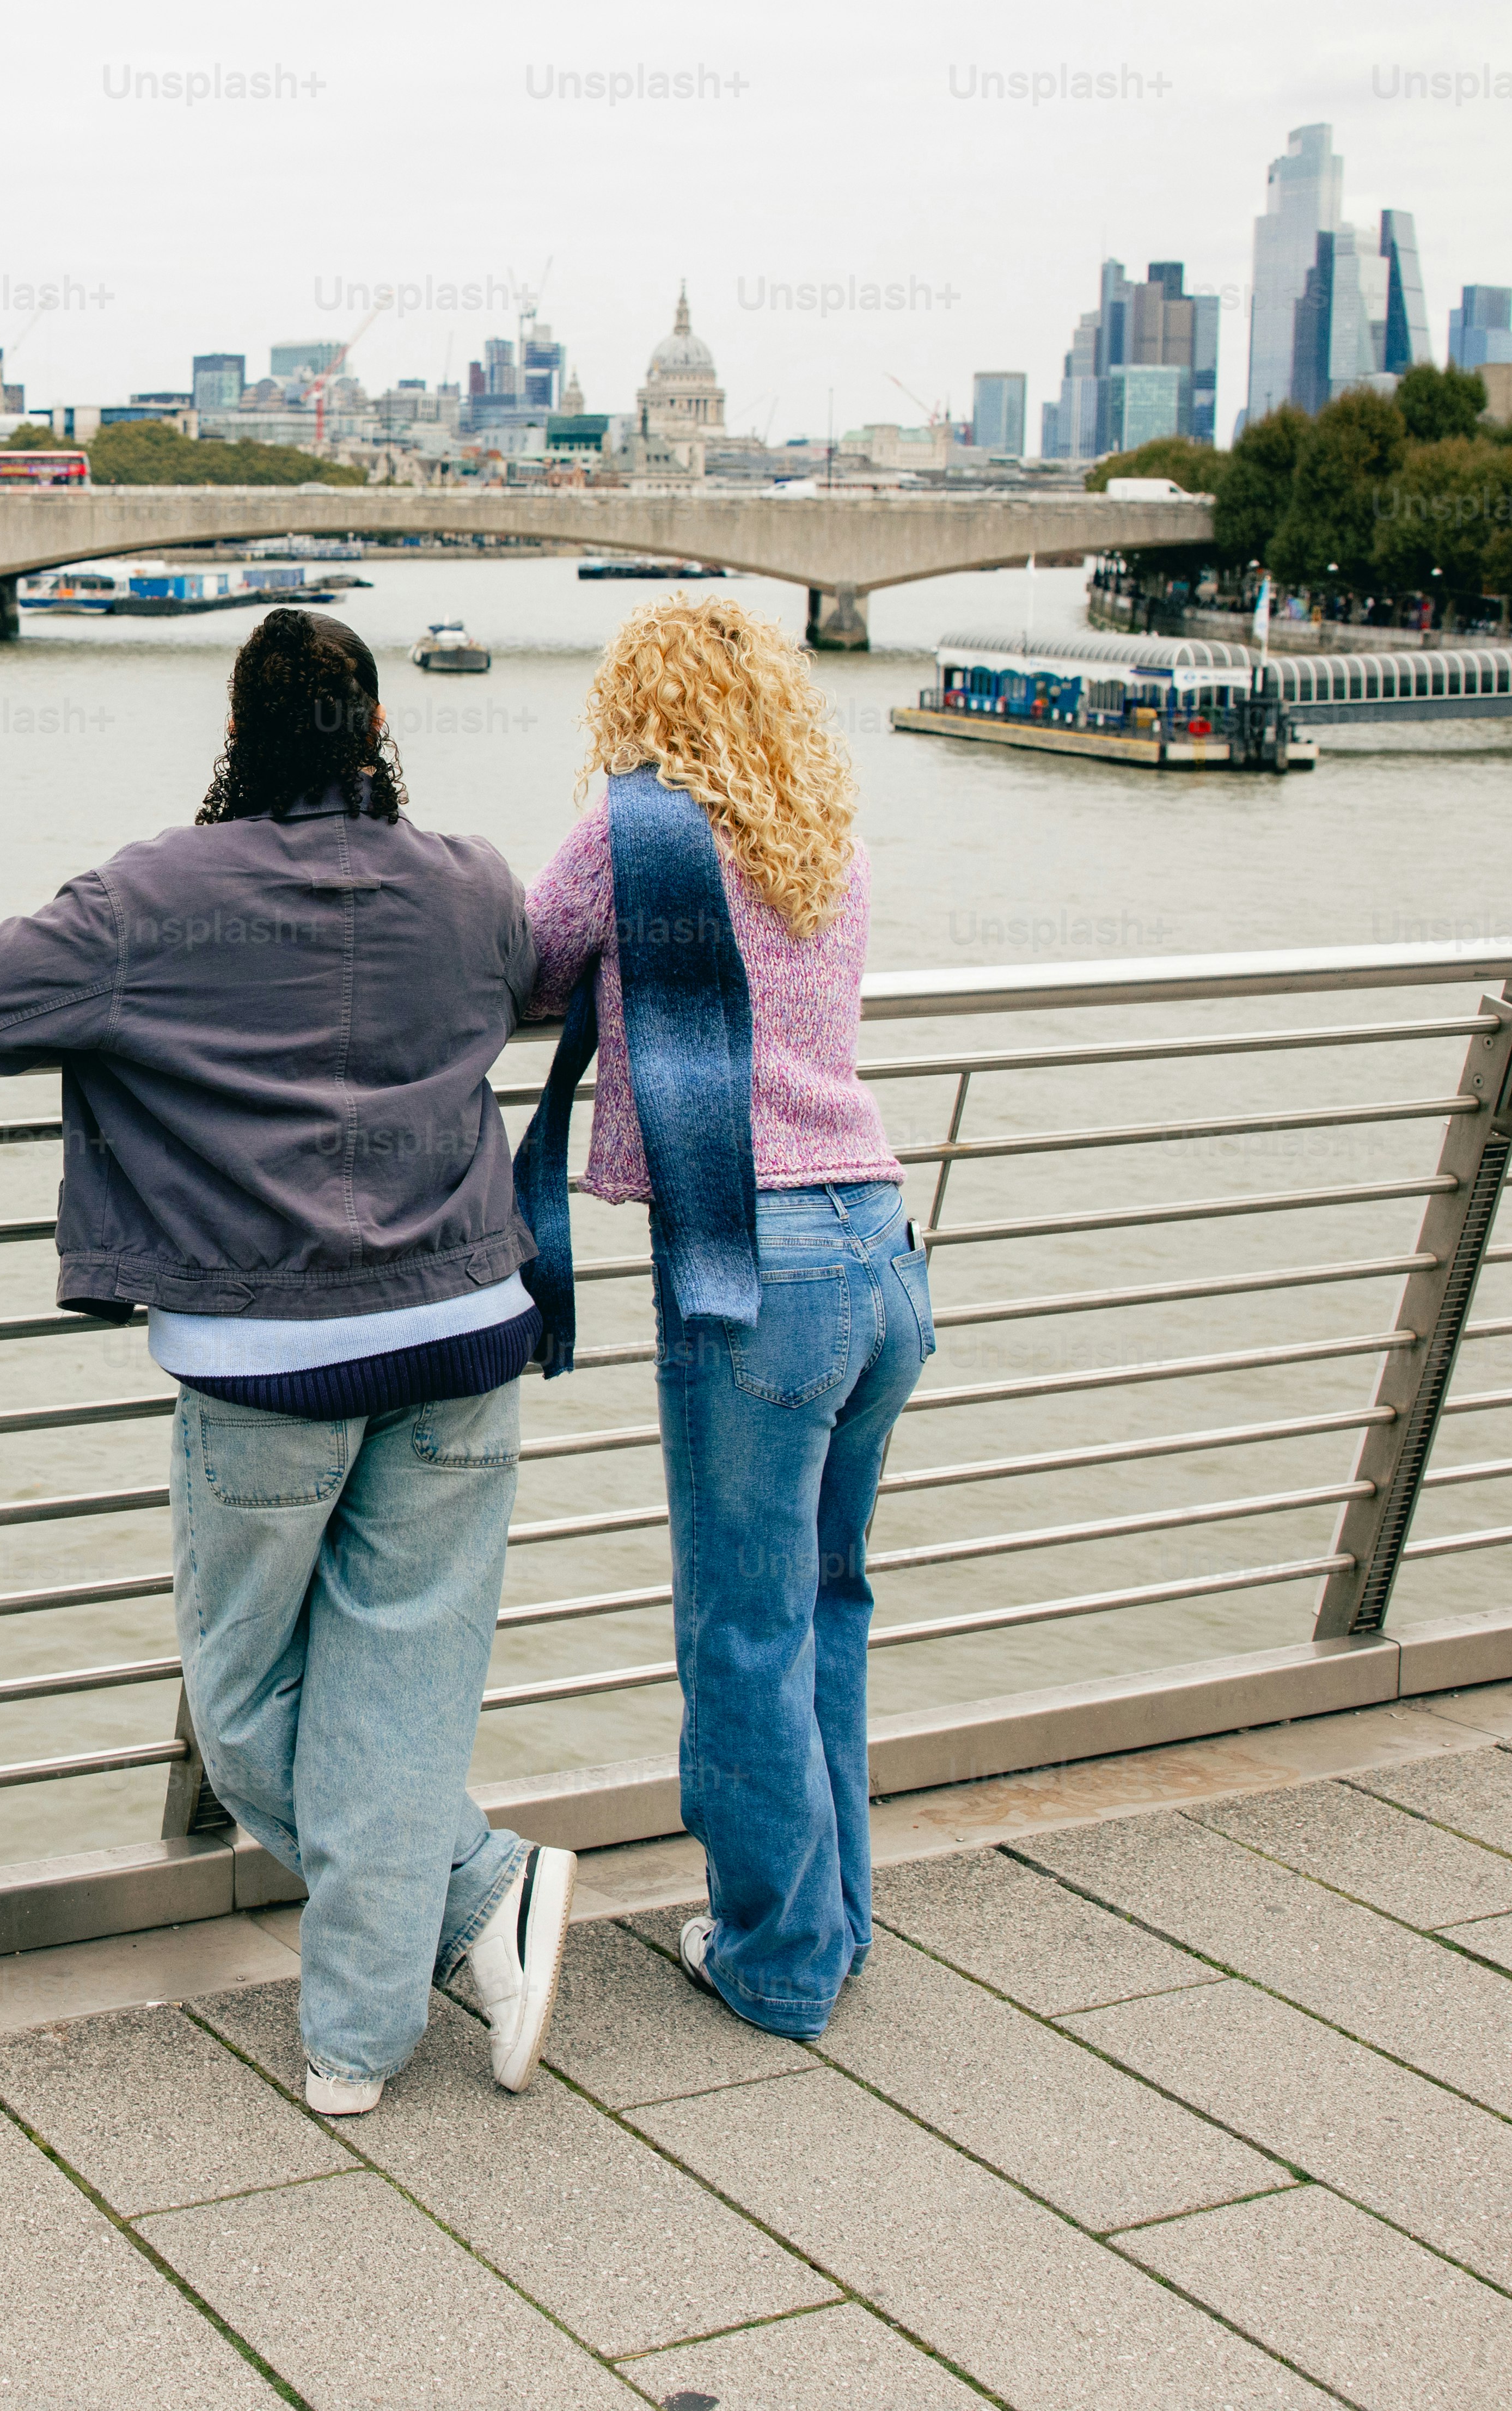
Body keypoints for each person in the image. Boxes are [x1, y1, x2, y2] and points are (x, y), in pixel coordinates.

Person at [0, 608, 577, 2117]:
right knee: (398, 1694)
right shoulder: (467, 880)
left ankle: (392, 1997)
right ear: (375, 736)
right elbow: (528, 984)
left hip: (264, 1358)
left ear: (235, 733)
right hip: (463, 1330)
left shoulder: (154, 894)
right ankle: (462, 1910)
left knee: (237, 1705)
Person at [515, 590, 928, 2041]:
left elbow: (524, 957)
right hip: (880, 1246)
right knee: (826, 1602)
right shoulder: (824, 835)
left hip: (749, 1267)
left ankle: (774, 1959)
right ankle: (834, 1919)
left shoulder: (638, 831)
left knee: (739, 1632)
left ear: (641, 707)